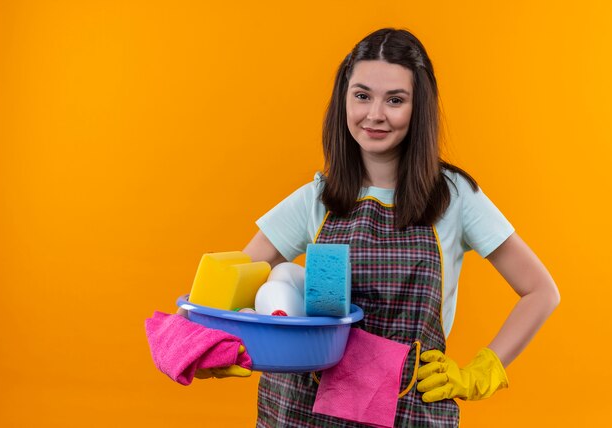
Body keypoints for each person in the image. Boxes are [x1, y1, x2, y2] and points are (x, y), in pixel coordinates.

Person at [197, 27, 560, 427]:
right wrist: (211, 342)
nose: (375, 115)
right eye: (362, 95)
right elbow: (237, 285)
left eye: (396, 100)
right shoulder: (316, 197)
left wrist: (480, 372)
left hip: (408, 409)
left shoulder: (454, 196)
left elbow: (541, 291)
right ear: (344, 100)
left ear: (418, 108)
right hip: (303, 409)